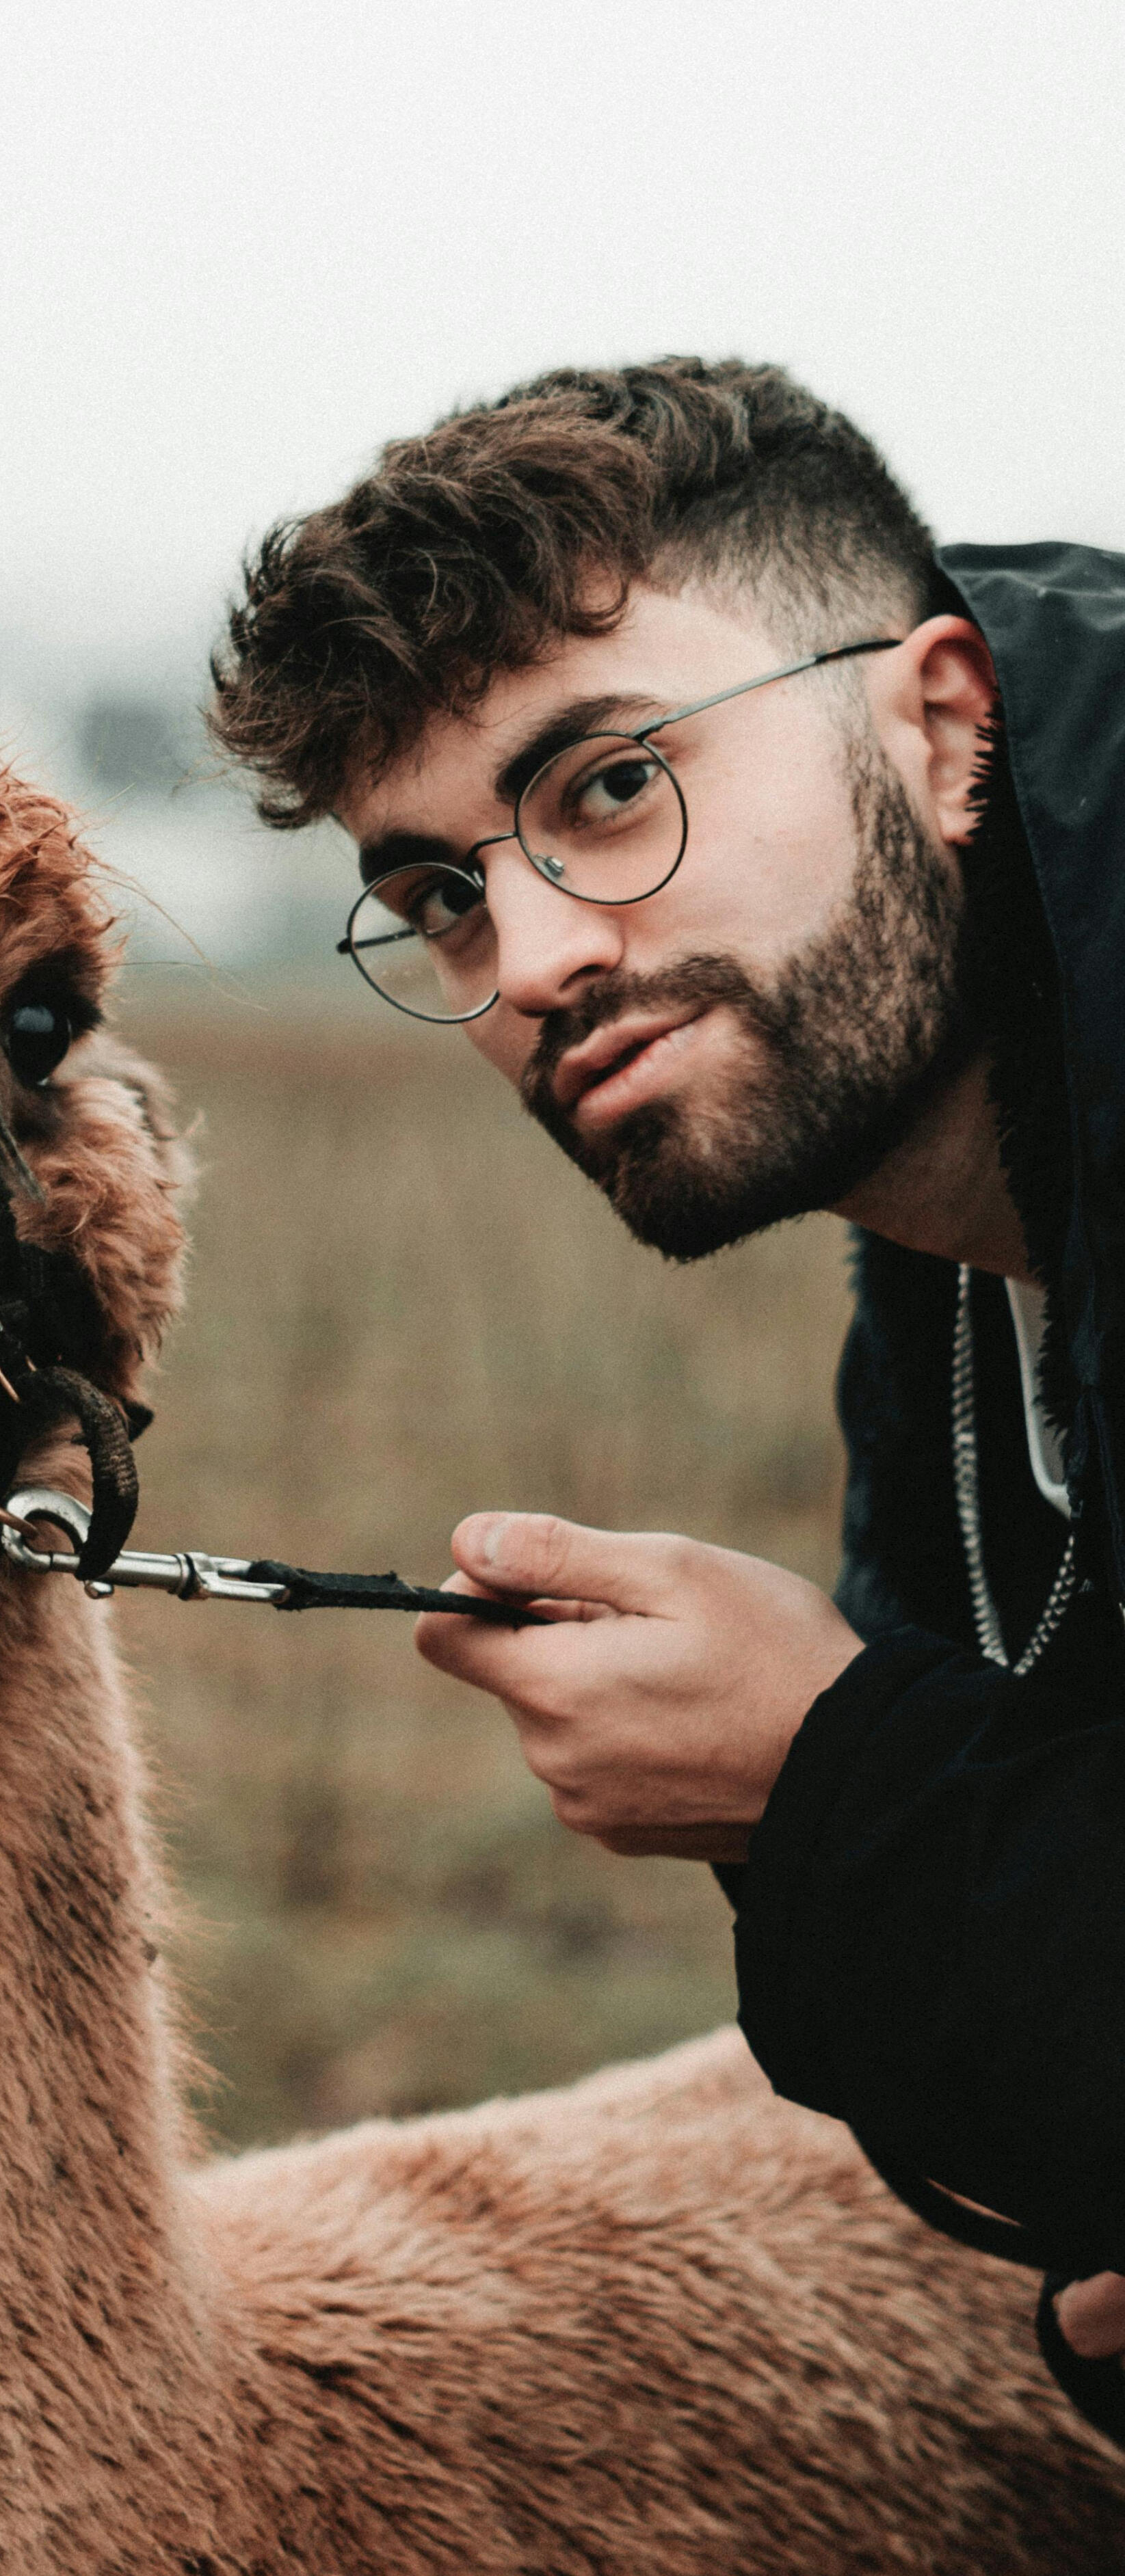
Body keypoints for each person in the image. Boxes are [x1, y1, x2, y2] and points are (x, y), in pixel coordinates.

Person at [207, 357, 1125, 2434]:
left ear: (945, 723)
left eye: (609, 786)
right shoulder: (956, 1233)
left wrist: (832, 1780)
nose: (521, 959)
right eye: (440, 894)